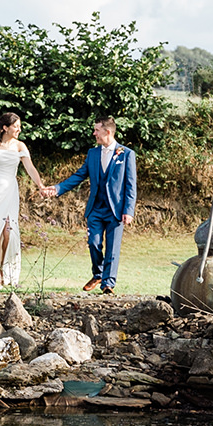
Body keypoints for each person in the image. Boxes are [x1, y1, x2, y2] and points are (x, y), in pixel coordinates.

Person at [46, 113, 136, 294]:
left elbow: (131, 184)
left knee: (112, 248)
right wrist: (58, 188)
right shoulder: (93, 153)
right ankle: (98, 273)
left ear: (108, 131)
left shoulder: (126, 154)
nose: (94, 134)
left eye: (97, 130)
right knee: (93, 243)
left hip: (116, 209)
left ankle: (108, 284)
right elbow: (79, 175)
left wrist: (129, 210)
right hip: (95, 208)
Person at [0, 111, 48, 289]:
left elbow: (30, 168)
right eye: (16, 126)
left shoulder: (20, 146)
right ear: (5, 127)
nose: (19, 129)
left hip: (10, 190)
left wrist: (41, 185)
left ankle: (5, 269)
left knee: (8, 232)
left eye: (19, 126)